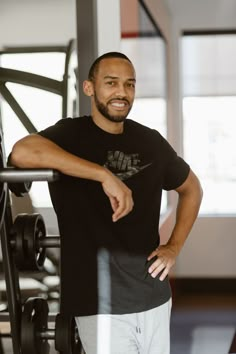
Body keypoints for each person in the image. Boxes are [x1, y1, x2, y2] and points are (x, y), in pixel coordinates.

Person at [10, 52, 203, 354]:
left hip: (154, 296)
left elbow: (192, 188)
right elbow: (22, 152)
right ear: (89, 88)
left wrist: (174, 246)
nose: (122, 93)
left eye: (129, 85)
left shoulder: (150, 141)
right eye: (111, 83)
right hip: (98, 304)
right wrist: (103, 175)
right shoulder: (70, 135)